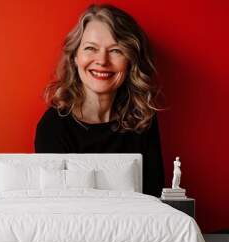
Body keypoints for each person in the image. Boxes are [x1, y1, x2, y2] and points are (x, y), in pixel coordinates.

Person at [34, 4, 164, 197]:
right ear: (75, 57)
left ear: (130, 61)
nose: (102, 60)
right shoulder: (53, 127)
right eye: (90, 48)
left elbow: (154, 198)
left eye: (116, 50)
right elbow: (58, 209)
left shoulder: (142, 119)